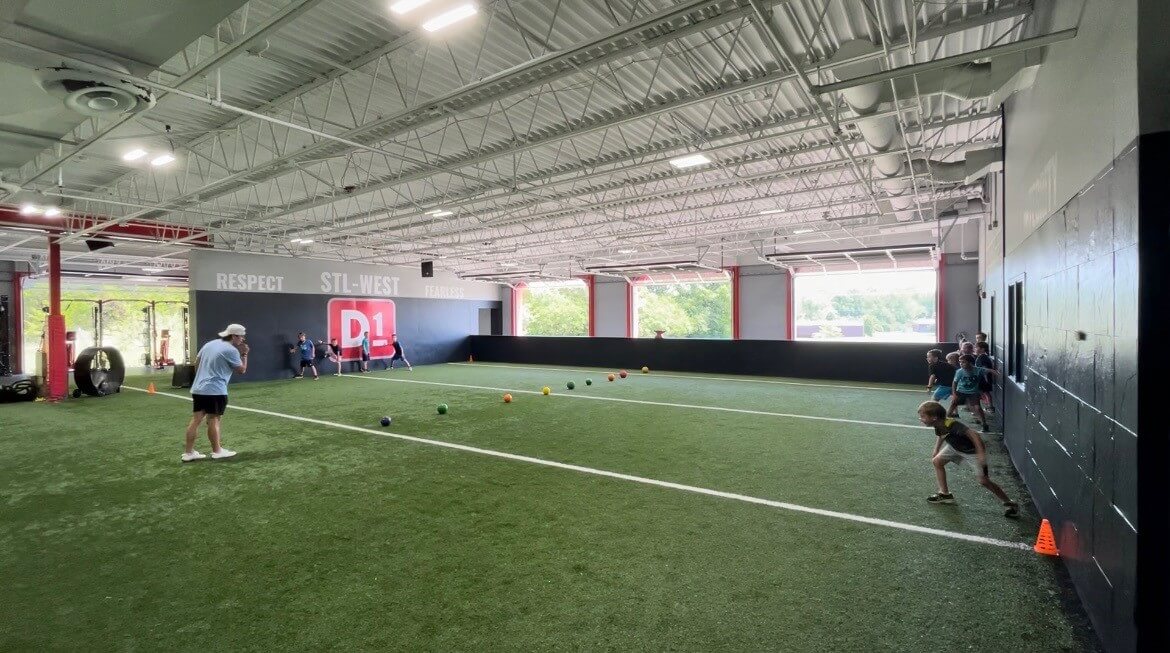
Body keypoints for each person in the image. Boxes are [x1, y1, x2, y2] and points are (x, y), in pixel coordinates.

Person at [919, 400, 1019, 517]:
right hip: (954, 447)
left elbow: (974, 435)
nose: (920, 419)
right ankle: (945, 494)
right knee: (937, 461)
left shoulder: (951, 424)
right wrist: (936, 449)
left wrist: (981, 453)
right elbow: (941, 435)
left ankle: (1009, 503)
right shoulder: (938, 424)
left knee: (983, 481)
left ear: (934, 417)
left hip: (972, 452)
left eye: (923, 416)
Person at [183, 323, 248, 462]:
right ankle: (217, 451)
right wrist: (244, 354)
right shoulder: (231, 350)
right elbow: (242, 370)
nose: (243, 339)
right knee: (213, 419)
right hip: (215, 391)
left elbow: (197, 362)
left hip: (198, 388)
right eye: (241, 336)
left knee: (195, 420)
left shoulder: (209, 344)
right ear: (234, 336)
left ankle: (188, 453)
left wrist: (201, 378)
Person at [949, 353, 997, 430]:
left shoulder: (978, 370)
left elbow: (988, 370)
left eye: (963, 362)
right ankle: (946, 421)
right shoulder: (959, 372)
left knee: (978, 408)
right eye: (960, 362)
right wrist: (954, 394)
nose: (961, 364)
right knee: (953, 404)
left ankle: (984, 424)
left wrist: (995, 372)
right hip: (961, 391)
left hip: (973, 393)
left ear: (970, 363)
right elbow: (954, 382)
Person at [974, 341, 997, 413]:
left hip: (983, 379)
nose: (975, 349)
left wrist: (986, 379)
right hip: (983, 379)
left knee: (985, 392)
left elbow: (984, 368)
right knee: (985, 392)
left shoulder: (982, 358)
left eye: (976, 347)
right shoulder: (982, 357)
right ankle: (989, 405)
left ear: (982, 349)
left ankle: (990, 406)